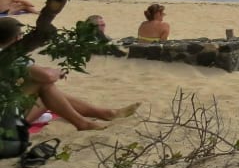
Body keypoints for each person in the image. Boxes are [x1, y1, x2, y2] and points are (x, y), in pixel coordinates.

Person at [0, 17, 139, 131]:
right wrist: (57, 72)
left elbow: (32, 73)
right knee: (44, 86)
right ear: (18, 38)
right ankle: (84, 123)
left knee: (46, 91)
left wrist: (44, 72)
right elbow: (47, 76)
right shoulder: (10, 57)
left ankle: (105, 113)